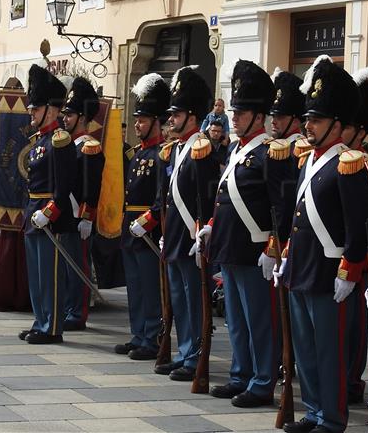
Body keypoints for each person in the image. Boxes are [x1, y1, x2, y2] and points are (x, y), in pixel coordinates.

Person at [278, 55, 368, 433]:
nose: (307, 125)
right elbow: (299, 218)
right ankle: (314, 410)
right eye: (308, 119)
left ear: (337, 124)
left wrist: (350, 270)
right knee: (306, 350)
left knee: (329, 351)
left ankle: (332, 419)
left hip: (330, 273)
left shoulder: (350, 164)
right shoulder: (308, 161)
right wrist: (286, 255)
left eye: (315, 120)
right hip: (302, 268)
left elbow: (358, 226)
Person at [204, 60, 289, 408]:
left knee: (259, 321)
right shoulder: (237, 151)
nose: (234, 118)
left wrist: (273, 248)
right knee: (236, 321)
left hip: (255, 251)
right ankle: (241, 374)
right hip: (229, 247)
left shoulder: (271, 152)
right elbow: (224, 198)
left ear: (259, 117)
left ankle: (262, 380)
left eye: (241, 113)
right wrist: (210, 227)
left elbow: (281, 207)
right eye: (234, 112)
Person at [137, 66, 219, 381]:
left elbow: (204, 198)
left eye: (177, 113)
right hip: (175, 237)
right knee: (179, 300)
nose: (170, 119)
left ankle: (195, 355)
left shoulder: (202, 151)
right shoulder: (179, 150)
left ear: (193, 116)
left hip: (191, 238)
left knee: (193, 301)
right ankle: (185, 352)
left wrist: (200, 235)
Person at [19, 64, 76, 345]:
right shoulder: (41, 140)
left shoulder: (60, 141)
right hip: (33, 214)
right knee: (37, 275)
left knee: (50, 275)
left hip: (49, 218)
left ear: (51, 111)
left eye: (36, 108)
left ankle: (52, 326)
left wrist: (49, 213)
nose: (31, 113)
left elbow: (64, 187)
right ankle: (40, 319)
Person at [119, 73, 170, 360]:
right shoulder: (137, 154)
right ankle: (138, 334)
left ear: (157, 122)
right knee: (135, 288)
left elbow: (161, 197)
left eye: (142, 120)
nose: (137, 124)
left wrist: (148, 221)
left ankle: (152, 338)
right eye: (137, 119)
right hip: (131, 227)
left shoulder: (163, 153)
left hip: (149, 230)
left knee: (151, 289)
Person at [341, 66, 368, 405]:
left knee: (353, 327)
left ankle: (351, 382)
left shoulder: (366, 165)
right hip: (332, 252)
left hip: (359, 256)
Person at [60, 76, 105, 332]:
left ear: (82, 117)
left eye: (70, 114)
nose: (65, 118)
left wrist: (87, 216)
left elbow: (92, 186)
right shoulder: (70, 146)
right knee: (67, 267)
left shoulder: (90, 147)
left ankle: (78, 312)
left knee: (78, 266)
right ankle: (68, 307)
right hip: (66, 215)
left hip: (79, 218)